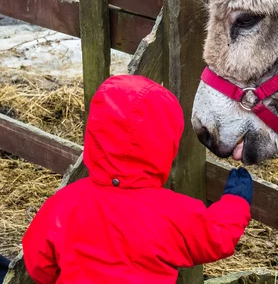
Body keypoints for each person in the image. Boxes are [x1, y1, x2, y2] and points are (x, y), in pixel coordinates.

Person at [21, 75, 253, 284]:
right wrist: (236, 201)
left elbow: (38, 263)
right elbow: (217, 236)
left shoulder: (65, 203)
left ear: (96, 130)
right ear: (165, 141)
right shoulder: (172, 213)